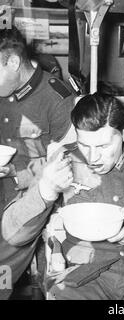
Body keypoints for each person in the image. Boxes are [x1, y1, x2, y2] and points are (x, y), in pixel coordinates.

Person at [1, 93, 124, 300]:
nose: (92, 157)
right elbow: (13, 234)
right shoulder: (64, 161)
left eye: (103, 146)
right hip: (82, 276)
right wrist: (46, 190)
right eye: (84, 145)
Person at [0, 26, 75, 299]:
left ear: (13, 62)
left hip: (31, 199)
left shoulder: (57, 98)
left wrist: (15, 172)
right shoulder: (3, 86)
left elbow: (67, 164)